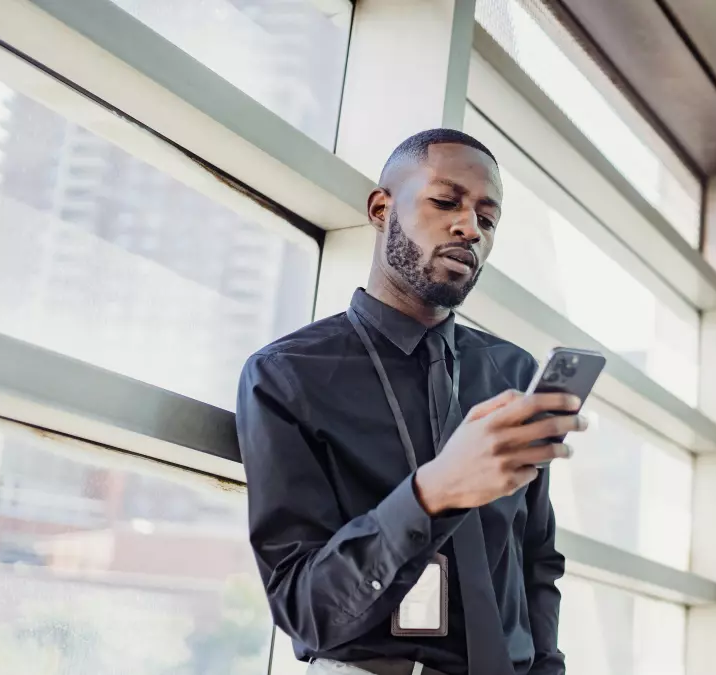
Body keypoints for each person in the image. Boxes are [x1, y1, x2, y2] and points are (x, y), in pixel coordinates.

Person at [236, 128, 585, 675]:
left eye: (487, 219)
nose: (470, 227)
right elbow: (304, 609)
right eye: (446, 201)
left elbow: (536, 559)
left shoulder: (511, 371)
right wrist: (431, 494)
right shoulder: (287, 376)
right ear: (381, 208)